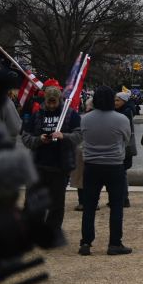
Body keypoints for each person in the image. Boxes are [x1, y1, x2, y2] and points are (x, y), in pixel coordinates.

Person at [22, 82, 82, 241]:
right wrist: (39, 140)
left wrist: (64, 136)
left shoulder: (70, 115)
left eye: (54, 102)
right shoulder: (36, 115)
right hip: (37, 164)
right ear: (45, 100)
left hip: (60, 165)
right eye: (49, 101)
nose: (51, 105)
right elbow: (26, 138)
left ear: (59, 100)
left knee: (57, 204)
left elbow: (79, 136)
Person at [79, 86, 132, 255]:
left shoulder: (85, 119)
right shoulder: (121, 119)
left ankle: (86, 242)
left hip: (91, 164)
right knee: (116, 205)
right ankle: (115, 243)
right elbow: (126, 139)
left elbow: (82, 138)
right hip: (114, 164)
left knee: (89, 205)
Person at [113, 91, 137, 208]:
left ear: (124, 101)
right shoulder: (126, 111)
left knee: (121, 174)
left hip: (124, 147)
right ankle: (120, 197)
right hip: (125, 146)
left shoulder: (126, 112)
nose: (115, 102)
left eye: (117, 100)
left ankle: (123, 198)